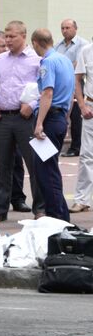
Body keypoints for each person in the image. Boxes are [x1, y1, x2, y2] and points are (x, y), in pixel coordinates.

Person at [0, 21, 43, 221]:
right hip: (2, 119)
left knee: (34, 164)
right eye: (6, 37)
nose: (8, 40)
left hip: (25, 119)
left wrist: (34, 105)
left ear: (23, 36)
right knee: (3, 166)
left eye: (12, 37)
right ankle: (1, 210)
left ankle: (40, 209)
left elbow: (44, 89)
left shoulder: (36, 61)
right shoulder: (0, 60)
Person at [31, 27, 74, 222]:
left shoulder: (47, 62)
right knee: (51, 169)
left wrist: (39, 123)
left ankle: (57, 216)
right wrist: (66, 116)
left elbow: (47, 92)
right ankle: (59, 214)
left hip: (49, 119)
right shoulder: (64, 60)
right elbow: (71, 91)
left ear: (35, 43)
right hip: (60, 116)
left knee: (45, 172)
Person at [56, 19, 86, 156]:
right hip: (60, 84)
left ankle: (76, 147)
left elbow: (78, 63)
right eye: (62, 28)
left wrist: (62, 69)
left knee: (75, 117)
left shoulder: (83, 45)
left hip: (76, 83)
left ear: (75, 28)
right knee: (61, 115)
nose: (64, 30)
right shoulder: (58, 46)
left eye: (67, 27)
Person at [73, 37, 93, 212]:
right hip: (91, 108)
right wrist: (81, 105)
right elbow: (77, 79)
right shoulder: (87, 51)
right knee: (86, 155)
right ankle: (82, 199)